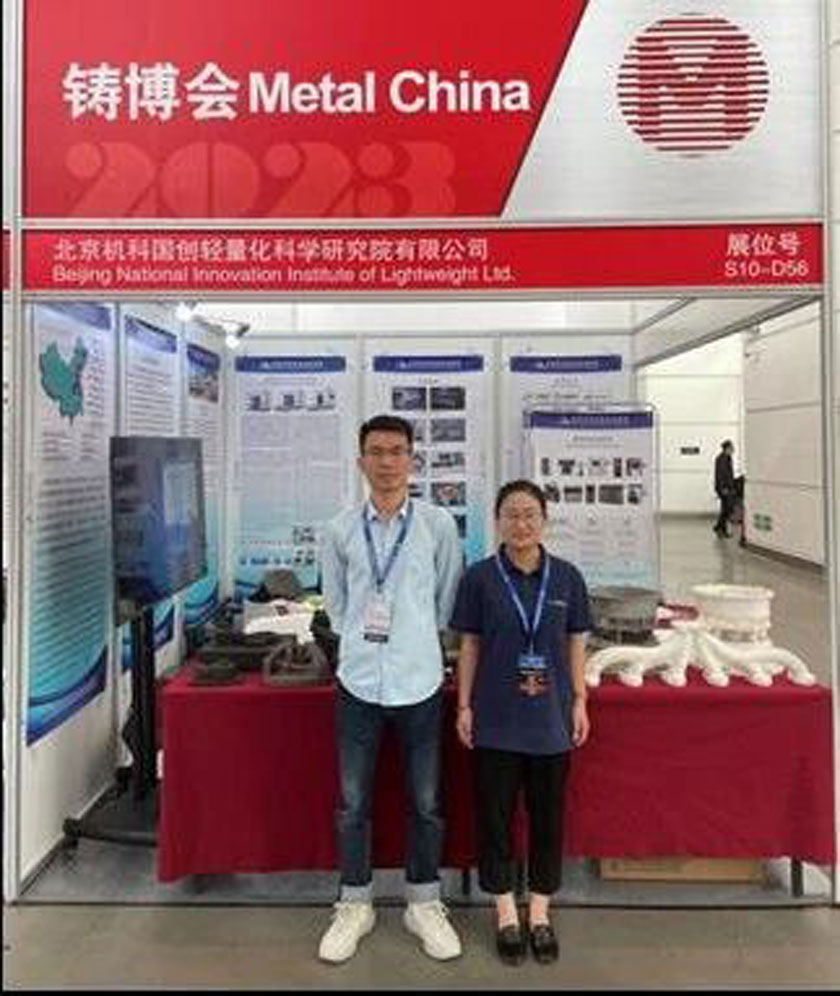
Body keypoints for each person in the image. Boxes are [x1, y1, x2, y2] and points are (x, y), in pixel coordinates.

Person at [318, 413, 464, 964]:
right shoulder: (338, 530)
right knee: (352, 802)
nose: (386, 462)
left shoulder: (437, 525)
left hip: (419, 681)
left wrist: (415, 642)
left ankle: (422, 902)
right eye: (376, 452)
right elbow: (336, 606)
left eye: (397, 451)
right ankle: (354, 903)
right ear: (361, 461)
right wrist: (365, 643)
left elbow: (446, 601)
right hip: (358, 682)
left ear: (412, 460)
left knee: (426, 802)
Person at [449, 479, 591, 966]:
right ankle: (506, 911)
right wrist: (464, 706)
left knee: (548, 817)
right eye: (511, 514)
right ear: (498, 522)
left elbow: (575, 642)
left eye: (530, 514)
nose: (521, 523)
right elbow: (470, 644)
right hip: (496, 718)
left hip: (551, 719)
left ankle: (541, 913)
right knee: (495, 817)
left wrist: (580, 700)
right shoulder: (480, 578)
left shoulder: (567, 578)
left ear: (544, 520)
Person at [713, 440, 736, 537]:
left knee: (725, 509)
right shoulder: (721, 459)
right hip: (724, 488)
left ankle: (719, 527)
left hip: (727, 487)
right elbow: (720, 475)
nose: (733, 449)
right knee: (726, 509)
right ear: (727, 448)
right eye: (732, 447)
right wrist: (723, 488)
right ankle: (721, 529)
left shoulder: (728, 458)